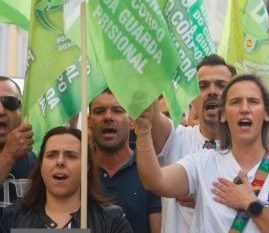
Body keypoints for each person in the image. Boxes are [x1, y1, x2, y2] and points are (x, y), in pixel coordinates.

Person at [136, 74, 269, 233]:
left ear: (267, 114)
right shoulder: (202, 163)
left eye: (253, 101)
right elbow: (155, 181)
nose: (245, 109)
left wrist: (251, 204)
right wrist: (143, 131)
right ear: (223, 115)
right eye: (235, 102)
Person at [145, 54, 236, 233]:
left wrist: (206, 201)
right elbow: (149, 108)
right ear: (192, 97)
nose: (212, 91)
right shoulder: (176, 138)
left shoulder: (250, 152)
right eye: (202, 86)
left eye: (221, 85)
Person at [0, 127, 131, 232]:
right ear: (41, 166)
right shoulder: (12, 217)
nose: (60, 161)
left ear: (87, 166)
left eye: (71, 156)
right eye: (52, 155)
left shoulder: (111, 219)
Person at [90, 90, 162, 233]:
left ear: (132, 121)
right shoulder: (77, 170)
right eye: (99, 111)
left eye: (117, 110)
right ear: (89, 122)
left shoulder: (150, 172)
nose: (108, 117)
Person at [0, 76, 34, 208]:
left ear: (22, 110)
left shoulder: (42, 158)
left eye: (10, 102)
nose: (1, 111)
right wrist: (9, 155)